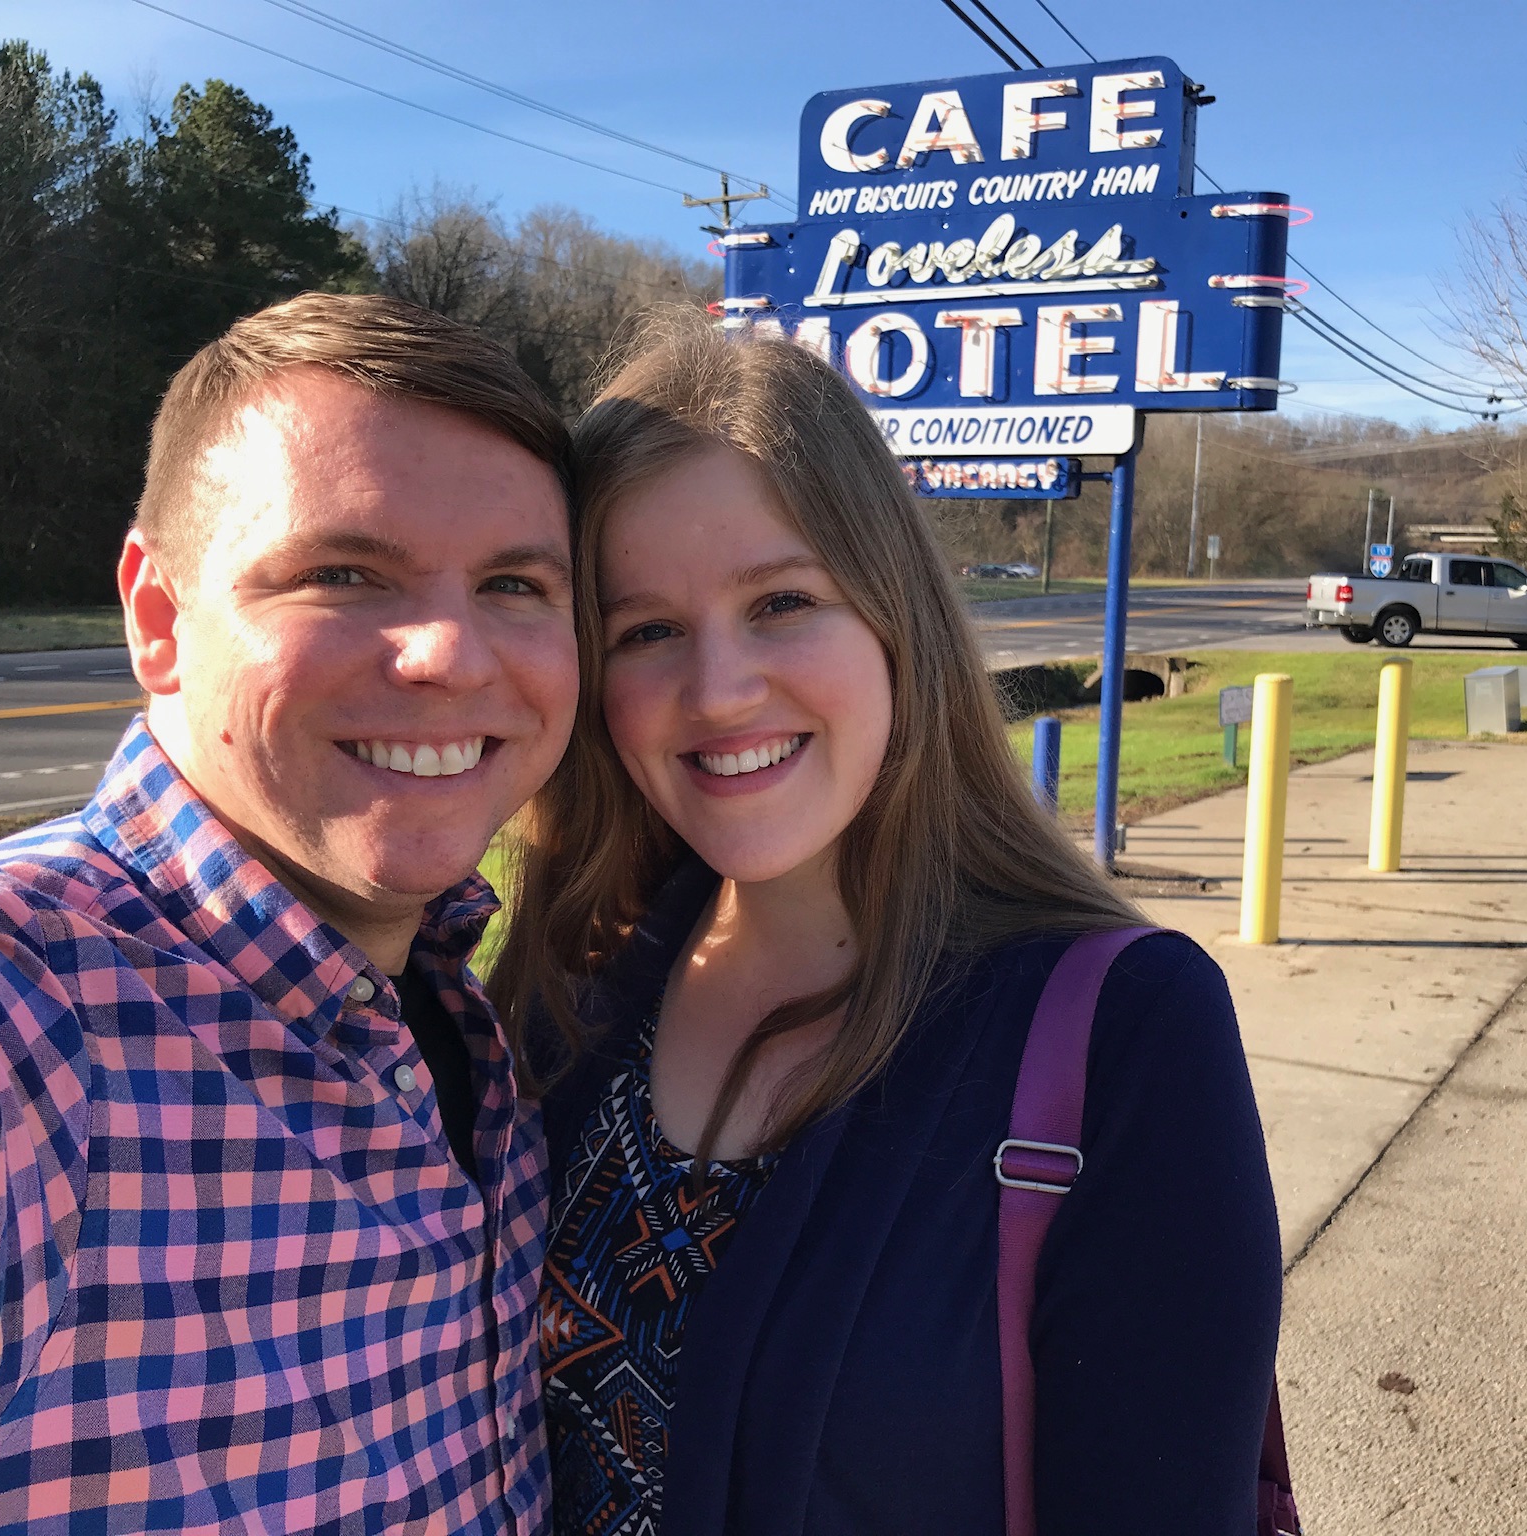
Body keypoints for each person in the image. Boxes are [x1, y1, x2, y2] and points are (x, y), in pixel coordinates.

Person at [495, 312, 1283, 1536]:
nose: (715, 690)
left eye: (781, 601)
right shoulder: (571, 985)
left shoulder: (1121, 1031)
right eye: (644, 630)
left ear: (892, 619)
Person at [0, 294, 577, 1533]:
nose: (450, 651)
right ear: (159, 619)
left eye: (513, 584)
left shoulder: (482, 1022)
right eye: (340, 572)